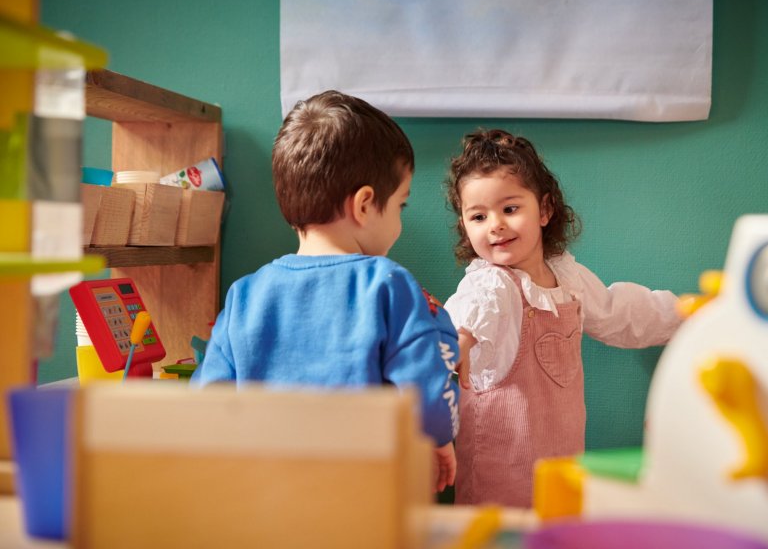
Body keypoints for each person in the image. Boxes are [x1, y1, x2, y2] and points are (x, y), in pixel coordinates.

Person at [191, 90, 459, 492]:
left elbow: (206, 402)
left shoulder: (244, 295)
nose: (400, 220)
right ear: (365, 204)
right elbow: (424, 385)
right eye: (401, 205)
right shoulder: (387, 284)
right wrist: (441, 437)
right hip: (360, 491)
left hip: (264, 493)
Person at [444, 129, 681, 507]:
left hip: (560, 468)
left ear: (545, 209)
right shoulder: (492, 284)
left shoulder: (567, 278)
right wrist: (457, 344)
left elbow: (619, 313)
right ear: (464, 225)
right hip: (499, 482)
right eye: (478, 216)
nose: (495, 225)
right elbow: (468, 321)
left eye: (509, 209)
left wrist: (686, 314)